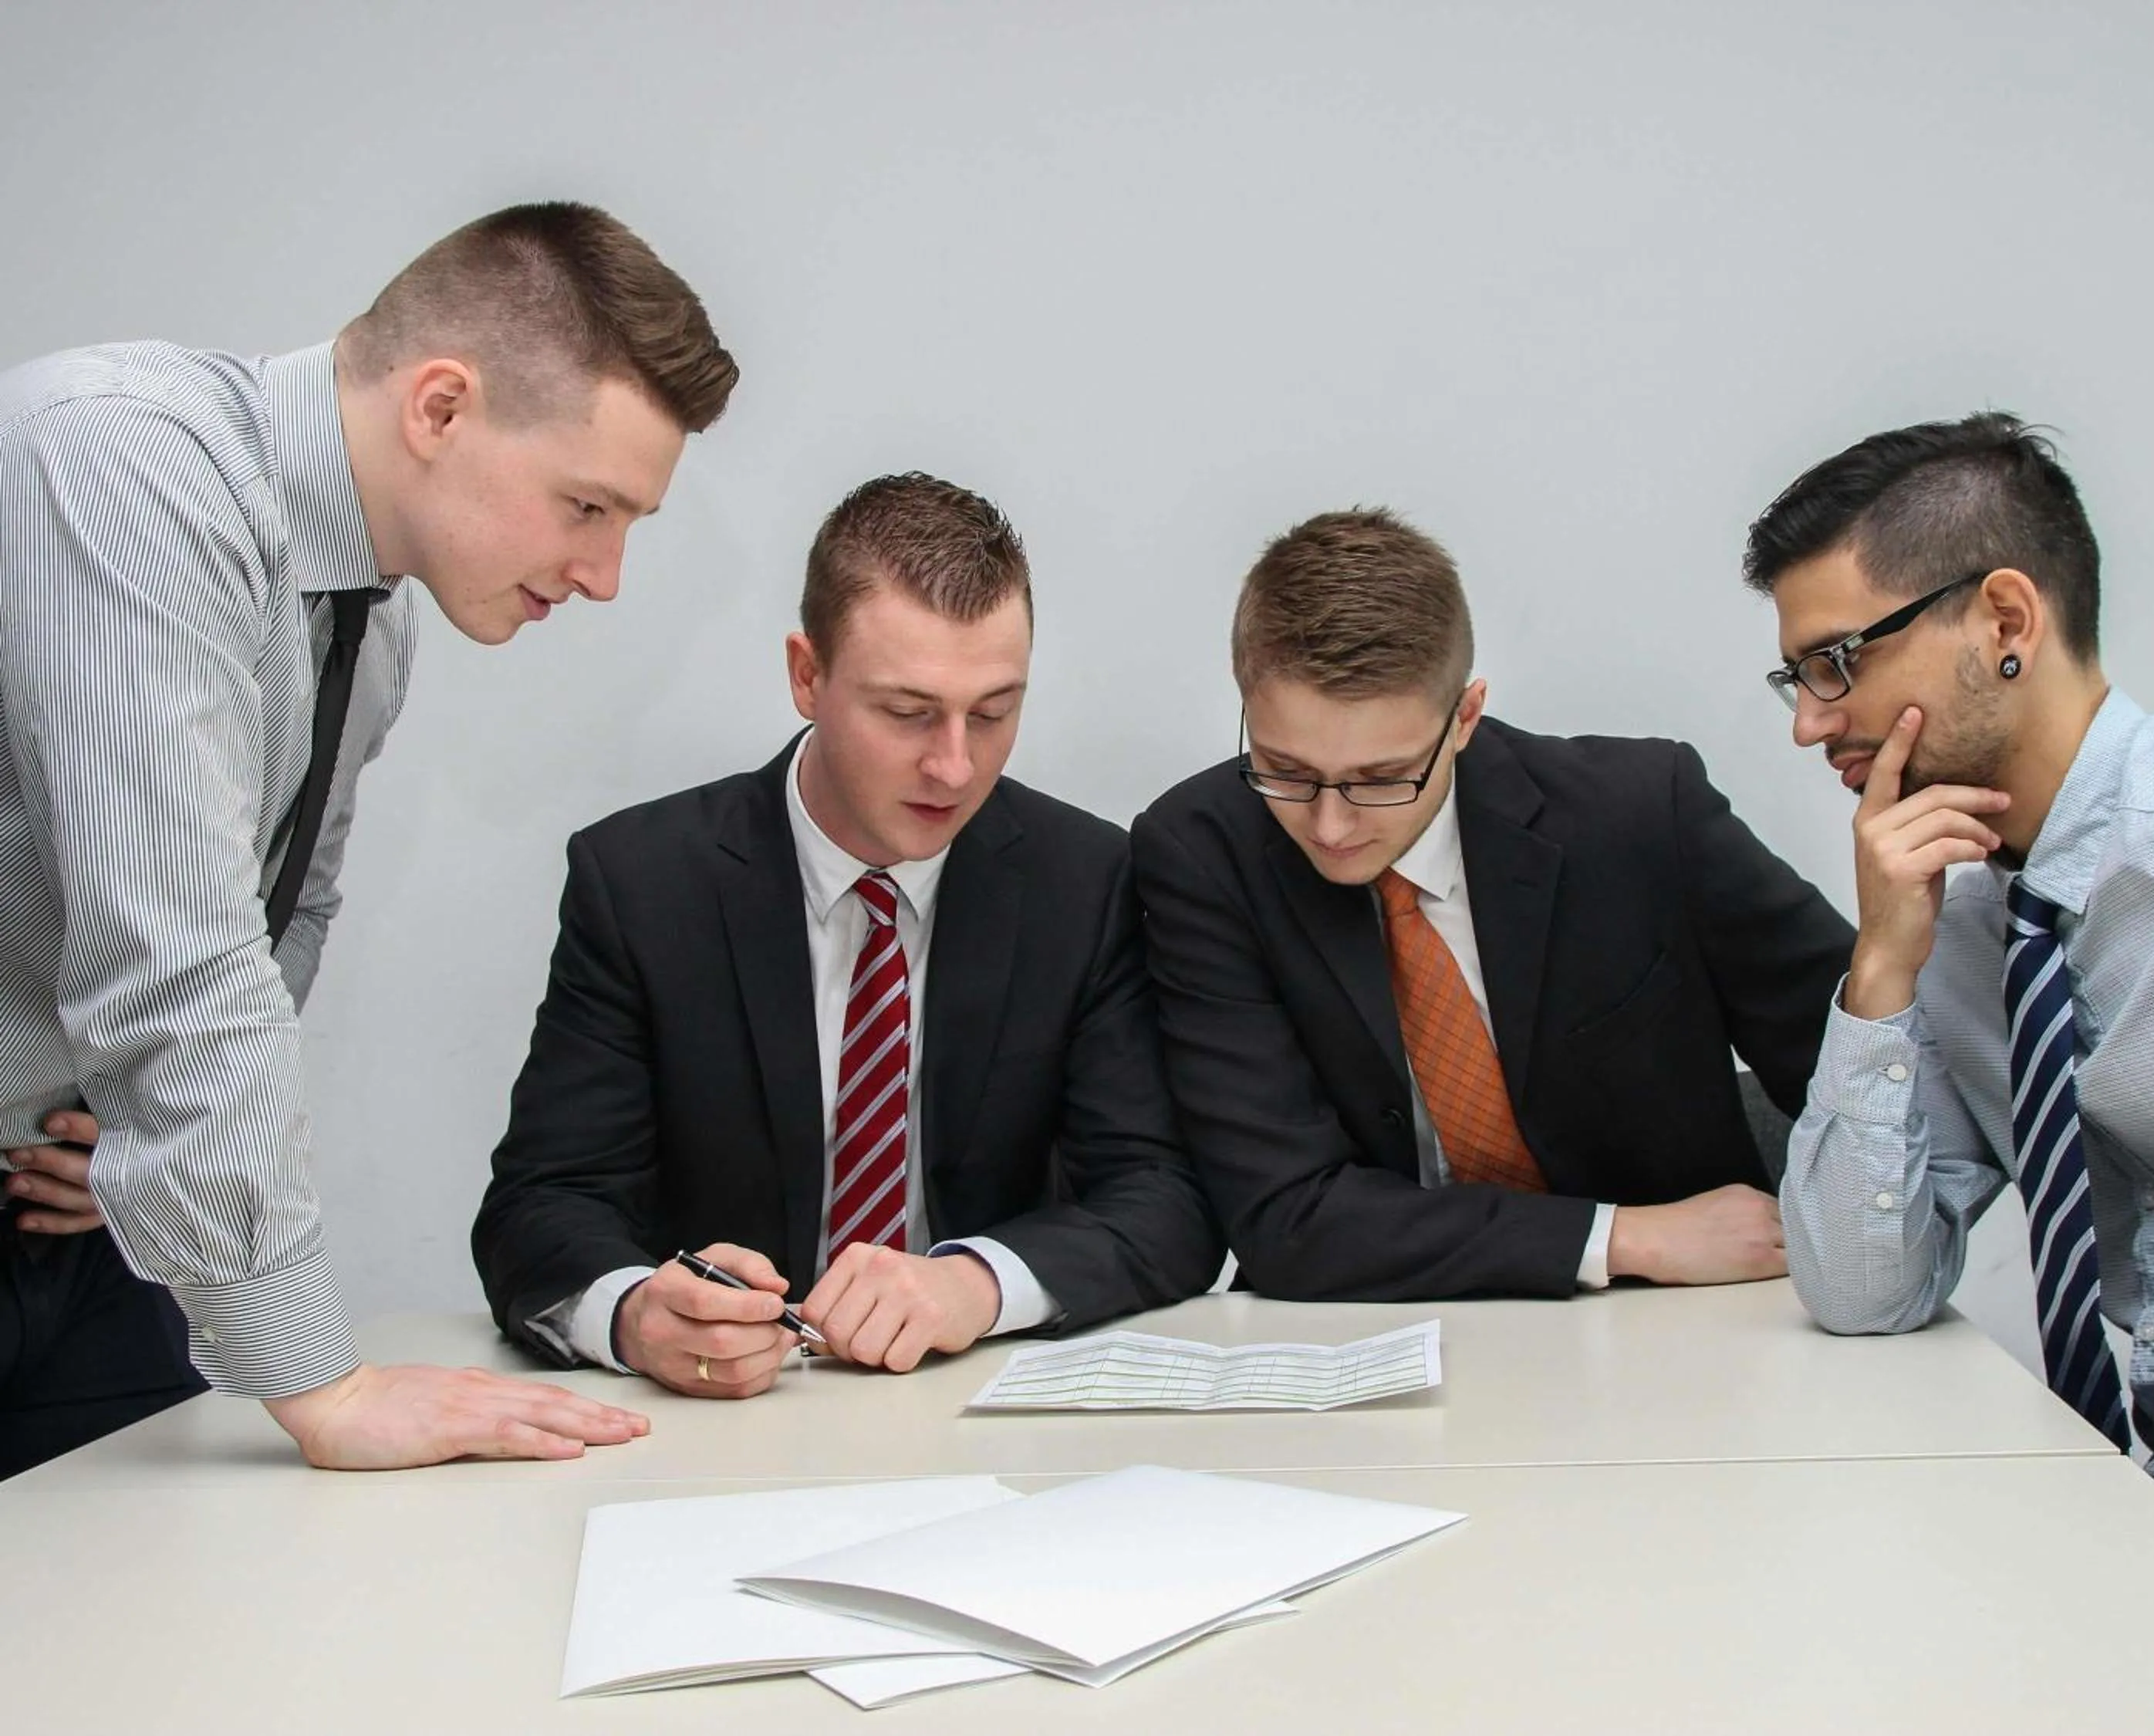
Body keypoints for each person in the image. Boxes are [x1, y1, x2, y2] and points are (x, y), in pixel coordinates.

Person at [0, 201, 738, 1476]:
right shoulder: (123, 467)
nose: (604, 573)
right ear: (440, 407)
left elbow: (284, 915)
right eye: (587, 506)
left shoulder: (373, 618)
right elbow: (176, 963)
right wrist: (324, 1383)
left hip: (63, 1221)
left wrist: (133, 1140)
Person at [471, 472, 1224, 1394]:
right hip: (720, 1418)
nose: (955, 766)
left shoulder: (1084, 881)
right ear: (807, 676)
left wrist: (975, 1284)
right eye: (907, 713)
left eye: (993, 713)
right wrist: (636, 1316)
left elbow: (1165, 1200)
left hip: (970, 1401)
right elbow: (542, 1205)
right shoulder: (643, 883)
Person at [1747, 410, 2154, 1619]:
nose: (1808, 719)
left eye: (1837, 661)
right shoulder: (1960, 925)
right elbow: (1859, 1290)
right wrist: (1881, 967)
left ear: (2006, 621)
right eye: (1798, 676)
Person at [1130, 508, 1853, 1303]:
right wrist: (1621, 1237)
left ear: (1465, 718)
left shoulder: (1641, 814)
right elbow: (1287, 1219)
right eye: (1286, 770)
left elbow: (1861, 1072)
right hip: (1370, 1326)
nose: (1331, 826)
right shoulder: (1202, 853)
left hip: (1687, 1320)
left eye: (1383, 779)